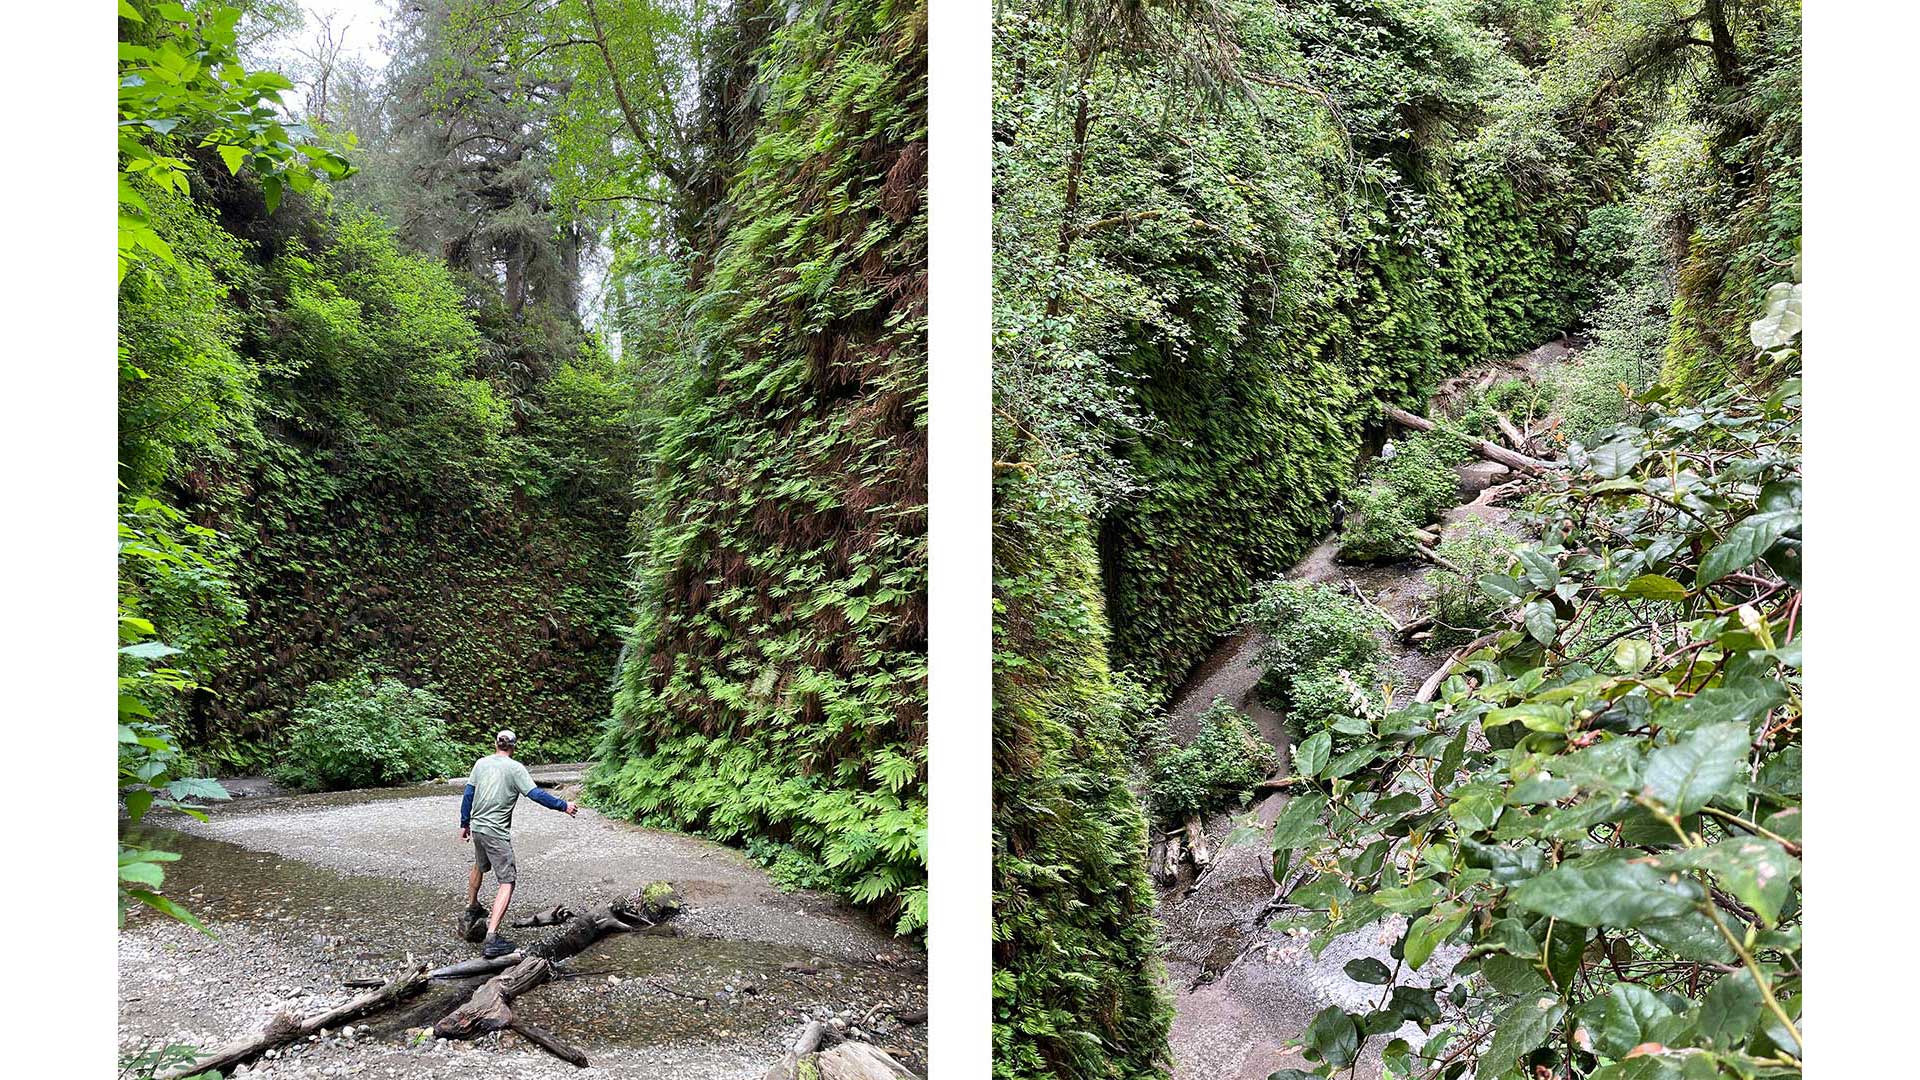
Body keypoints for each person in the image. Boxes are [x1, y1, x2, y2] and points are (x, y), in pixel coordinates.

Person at [459, 729, 578, 957]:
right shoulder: (515, 769)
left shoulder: (481, 763)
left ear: (495, 744)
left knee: (479, 866)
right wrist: (564, 806)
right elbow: (535, 794)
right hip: (495, 832)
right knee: (507, 881)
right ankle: (492, 937)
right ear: (513, 747)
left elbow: (468, 794)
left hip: (478, 827)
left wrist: (464, 823)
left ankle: (471, 908)